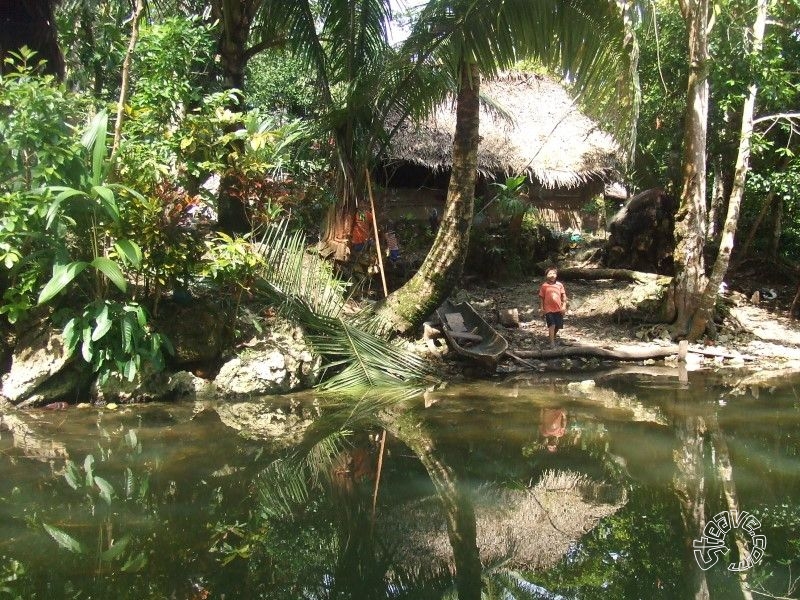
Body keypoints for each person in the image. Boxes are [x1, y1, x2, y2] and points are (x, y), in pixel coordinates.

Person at [538, 266, 567, 349]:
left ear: (556, 275)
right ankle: (552, 343)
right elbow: (541, 297)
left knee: (558, 326)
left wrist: (564, 306)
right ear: (546, 275)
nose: (552, 275)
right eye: (550, 273)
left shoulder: (560, 285)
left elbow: (563, 296)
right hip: (548, 309)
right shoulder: (544, 286)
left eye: (554, 273)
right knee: (552, 325)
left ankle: (552, 337)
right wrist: (542, 308)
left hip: (558, 309)